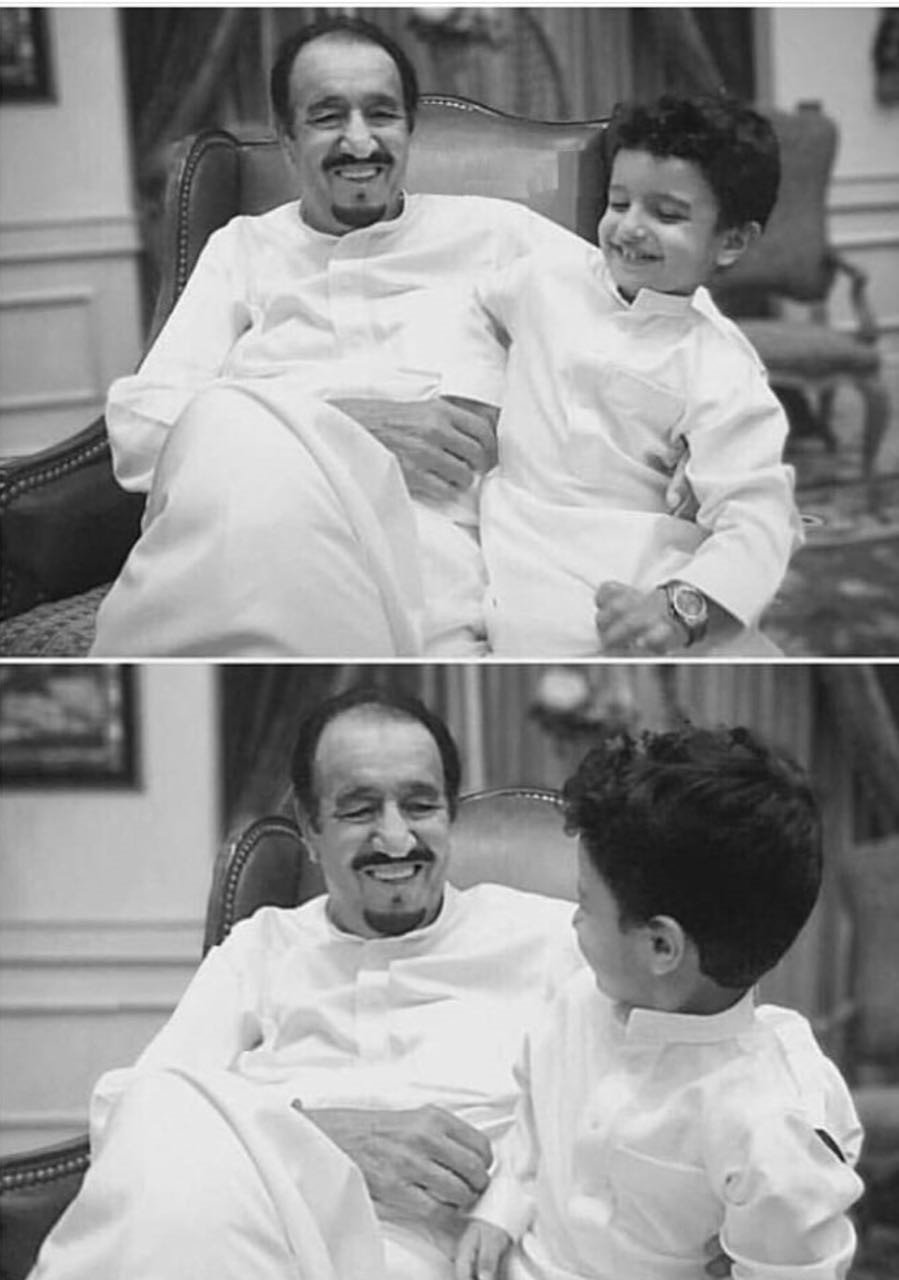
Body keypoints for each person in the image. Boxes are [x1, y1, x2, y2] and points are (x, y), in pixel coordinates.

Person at [28, 686, 583, 1280]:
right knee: (160, 1100)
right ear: (309, 829)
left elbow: (613, 1103)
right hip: (250, 1221)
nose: (396, 839)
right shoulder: (262, 946)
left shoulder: (551, 938)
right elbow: (134, 1112)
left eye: (421, 806)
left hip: (436, 1249)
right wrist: (312, 1139)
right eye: (360, 810)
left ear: (450, 816)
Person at [89, 16, 578, 659]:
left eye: (382, 114)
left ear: (408, 129)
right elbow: (139, 431)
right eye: (327, 116)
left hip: (424, 556)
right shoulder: (243, 249)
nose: (360, 140)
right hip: (246, 531)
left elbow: (638, 322)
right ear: (288, 141)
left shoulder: (499, 235)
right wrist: (340, 425)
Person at [456, 726, 865, 1280]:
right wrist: (500, 1212)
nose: (573, 919)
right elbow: (534, 1124)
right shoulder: (577, 1000)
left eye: (584, 902)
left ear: (660, 946)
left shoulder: (766, 1124)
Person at [444, 95, 801, 656]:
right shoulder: (547, 276)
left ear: (731, 241)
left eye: (667, 214)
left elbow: (759, 515)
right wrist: (477, 396)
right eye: (618, 202)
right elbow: (472, 309)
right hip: (525, 548)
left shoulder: (723, 367)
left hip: (652, 567)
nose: (629, 228)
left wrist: (681, 606)